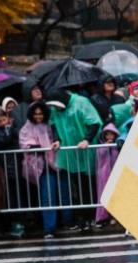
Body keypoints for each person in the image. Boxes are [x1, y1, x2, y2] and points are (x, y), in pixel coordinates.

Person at [46, 89, 102, 231]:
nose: (56, 109)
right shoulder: (55, 108)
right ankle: (82, 218)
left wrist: (86, 139)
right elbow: (53, 125)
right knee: (75, 186)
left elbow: (94, 123)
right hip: (69, 153)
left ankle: (92, 217)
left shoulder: (81, 102)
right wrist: (57, 140)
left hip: (85, 150)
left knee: (89, 184)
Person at [19, 101, 73, 239]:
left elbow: (60, 136)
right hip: (42, 166)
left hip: (58, 162)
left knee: (64, 193)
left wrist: (56, 143)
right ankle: (49, 228)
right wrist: (40, 147)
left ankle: (68, 221)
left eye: (41, 114)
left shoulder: (52, 124)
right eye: (36, 114)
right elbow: (24, 144)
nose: (38, 116)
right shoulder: (27, 127)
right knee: (48, 197)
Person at [0, 106, 24, 237]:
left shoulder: (14, 129)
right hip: (2, 169)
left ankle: (19, 223)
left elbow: (19, 140)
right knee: (6, 198)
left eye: (4, 119)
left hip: (15, 168)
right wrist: (5, 138)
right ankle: (7, 224)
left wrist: (10, 130)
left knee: (17, 196)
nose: (2, 122)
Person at [95, 123, 120, 227]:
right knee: (104, 196)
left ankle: (115, 217)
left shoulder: (117, 146)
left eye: (111, 134)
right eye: (107, 134)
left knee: (115, 195)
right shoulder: (101, 146)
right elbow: (100, 155)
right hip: (104, 175)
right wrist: (106, 146)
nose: (109, 137)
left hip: (115, 174)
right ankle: (103, 216)